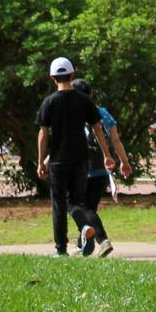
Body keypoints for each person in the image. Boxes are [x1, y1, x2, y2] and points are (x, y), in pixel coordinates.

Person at [35, 56, 103, 257]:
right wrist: (107, 153)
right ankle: (84, 227)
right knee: (77, 201)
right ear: (72, 75)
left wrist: (40, 162)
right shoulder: (83, 100)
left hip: (58, 160)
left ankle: (61, 248)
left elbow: (43, 133)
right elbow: (97, 127)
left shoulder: (49, 102)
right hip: (82, 159)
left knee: (59, 204)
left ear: (52, 78)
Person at [70, 78, 129, 255]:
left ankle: (102, 240)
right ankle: (83, 244)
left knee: (79, 208)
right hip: (102, 169)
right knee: (89, 209)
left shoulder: (73, 114)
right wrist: (124, 162)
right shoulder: (103, 113)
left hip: (81, 169)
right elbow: (116, 140)